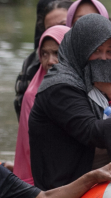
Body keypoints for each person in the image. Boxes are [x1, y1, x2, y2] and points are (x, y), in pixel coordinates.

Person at [29, 14, 111, 190]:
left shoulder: (99, 76)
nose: (103, 59)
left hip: (96, 171)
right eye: (96, 51)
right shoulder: (60, 85)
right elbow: (90, 130)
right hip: (63, 183)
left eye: (109, 52)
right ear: (81, 49)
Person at [13, 25, 71, 185]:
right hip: (39, 178)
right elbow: (30, 146)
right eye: (44, 54)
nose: (49, 61)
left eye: (56, 53)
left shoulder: (80, 89)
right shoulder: (33, 94)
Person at [14, 0, 72, 118]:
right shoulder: (32, 66)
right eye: (50, 28)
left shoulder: (93, 58)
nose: (57, 31)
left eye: (63, 25)